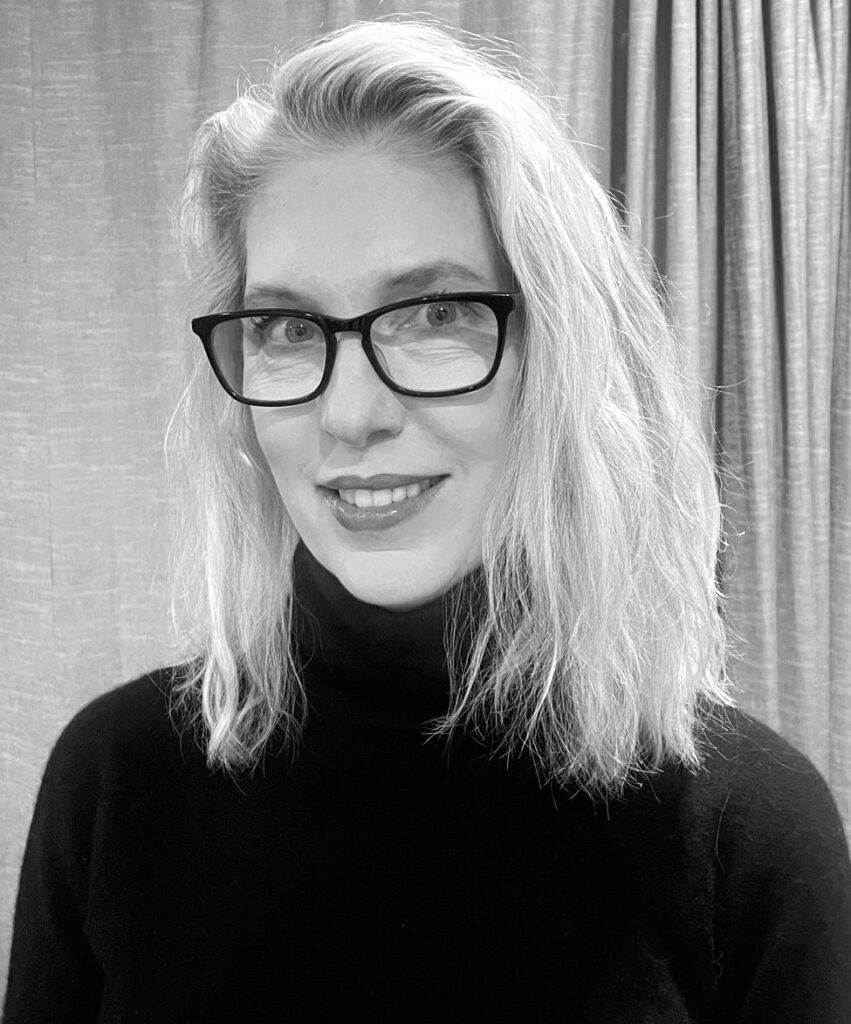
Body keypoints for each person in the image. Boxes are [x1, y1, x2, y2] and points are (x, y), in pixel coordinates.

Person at [4, 17, 850, 1023]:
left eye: (436, 314)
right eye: (284, 327)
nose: (349, 414)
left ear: (558, 353)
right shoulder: (114, 783)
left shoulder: (741, 832)